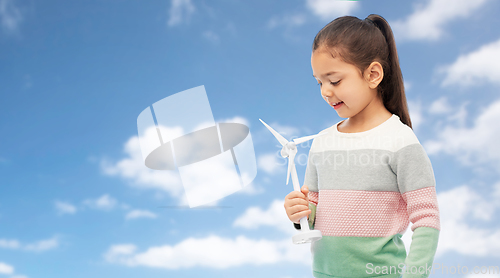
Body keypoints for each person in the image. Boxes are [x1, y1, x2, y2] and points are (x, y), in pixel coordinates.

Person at [284, 14, 440, 278]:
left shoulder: (400, 141)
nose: (325, 91)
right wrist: (299, 213)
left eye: (334, 81)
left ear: (373, 74)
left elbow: (427, 219)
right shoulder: (321, 143)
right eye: (319, 82)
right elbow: (312, 215)